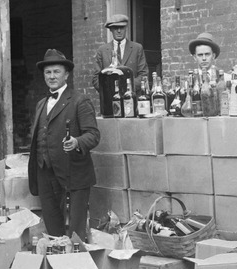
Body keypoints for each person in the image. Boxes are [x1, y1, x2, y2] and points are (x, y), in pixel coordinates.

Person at [29, 49, 100, 240]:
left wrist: (77, 141)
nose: (52, 76)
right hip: (45, 172)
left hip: (73, 173)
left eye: (56, 72)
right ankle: (57, 264)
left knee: (75, 232)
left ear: (66, 74)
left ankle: (76, 265)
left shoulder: (79, 101)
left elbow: (93, 135)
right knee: (53, 227)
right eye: (48, 72)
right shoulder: (41, 104)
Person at [92, 14, 148, 91]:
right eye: (115, 28)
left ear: (126, 28)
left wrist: (127, 87)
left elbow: (143, 75)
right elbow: (96, 78)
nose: (119, 31)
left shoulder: (137, 48)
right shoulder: (102, 50)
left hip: (132, 97)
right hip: (110, 98)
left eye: (121, 27)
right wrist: (109, 90)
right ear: (110, 29)